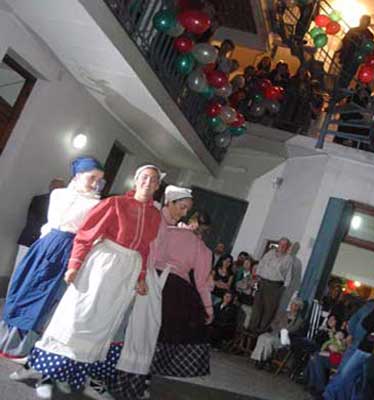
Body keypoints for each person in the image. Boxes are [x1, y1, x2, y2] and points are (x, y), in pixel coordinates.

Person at [24, 164, 164, 399]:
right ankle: (46, 374)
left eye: (153, 180)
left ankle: (73, 375)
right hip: (103, 265)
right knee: (77, 317)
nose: (148, 183)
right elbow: (87, 233)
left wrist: (140, 276)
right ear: (136, 180)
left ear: (158, 186)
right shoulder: (115, 203)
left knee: (102, 325)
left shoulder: (155, 215)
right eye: (144, 178)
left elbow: (144, 248)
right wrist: (74, 264)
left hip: (126, 272)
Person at [0, 157, 104, 361]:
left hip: (68, 249)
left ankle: (24, 346)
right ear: (78, 175)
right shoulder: (58, 194)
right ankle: (5, 336)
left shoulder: (96, 204)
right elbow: (51, 222)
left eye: (99, 179)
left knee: (47, 296)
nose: (96, 183)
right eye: (92, 177)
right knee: (24, 287)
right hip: (45, 245)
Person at [109, 210, 214, 399]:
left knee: (135, 331)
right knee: (157, 339)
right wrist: (208, 307)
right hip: (177, 292)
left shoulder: (169, 231)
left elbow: (150, 254)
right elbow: (201, 282)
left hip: (150, 280)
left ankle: (116, 376)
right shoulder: (203, 249)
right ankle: (140, 382)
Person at [11, 178, 65, 277]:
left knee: (26, 271)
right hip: (32, 240)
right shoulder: (42, 200)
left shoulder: (41, 199)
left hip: (38, 241)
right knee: (20, 268)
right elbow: (36, 221)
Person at [249, 237, 293, 333]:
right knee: (257, 307)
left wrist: (283, 289)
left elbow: (288, 275)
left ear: (287, 247)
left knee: (269, 309)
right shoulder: (270, 253)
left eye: (284, 245)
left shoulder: (288, 259)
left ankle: (261, 330)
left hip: (275, 286)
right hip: (263, 282)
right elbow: (261, 264)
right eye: (280, 244)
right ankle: (252, 328)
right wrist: (257, 278)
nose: (281, 247)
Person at [251, 298, 305, 369]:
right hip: (275, 333)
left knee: (269, 340)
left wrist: (282, 330)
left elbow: (293, 330)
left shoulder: (299, 320)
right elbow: (273, 323)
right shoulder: (283, 314)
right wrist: (277, 328)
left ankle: (263, 360)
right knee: (262, 337)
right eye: (292, 304)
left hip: (284, 339)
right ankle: (259, 359)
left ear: (299, 308)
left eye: (295, 305)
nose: (293, 306)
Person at [337, 15, 374, 88]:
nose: (363, 23)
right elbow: (344, 41)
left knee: (349, 75)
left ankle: (342, 88)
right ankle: (339, 87)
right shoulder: (353, 30)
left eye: (365, 21)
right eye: (362, 20)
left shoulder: (369, 35)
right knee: (342, 74)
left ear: (368, 23)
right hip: (348, 55)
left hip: (357, 58)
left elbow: (369, 48)